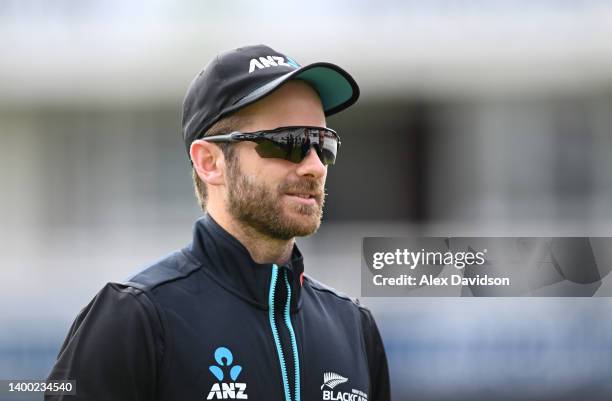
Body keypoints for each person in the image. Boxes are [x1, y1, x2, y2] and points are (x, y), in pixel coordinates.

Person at [46, 44, 390, 401]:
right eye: (289, 142)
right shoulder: (134, 318)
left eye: (323, 143)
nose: (315, 166)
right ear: (209, 162)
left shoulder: (354, 327)